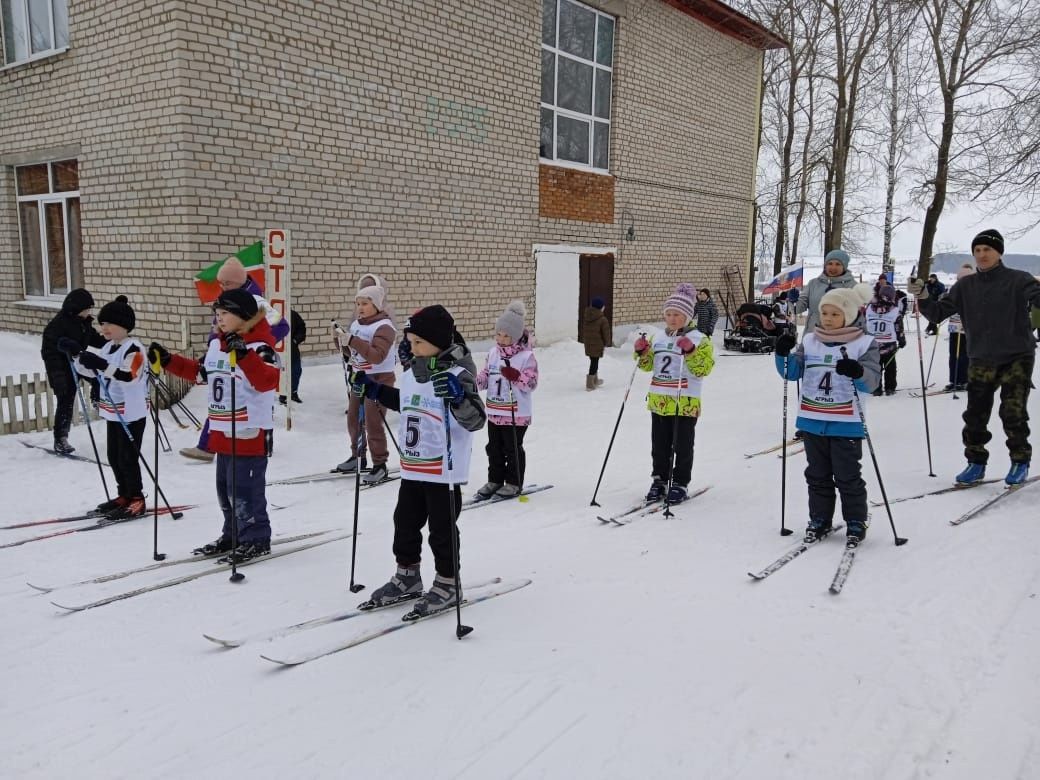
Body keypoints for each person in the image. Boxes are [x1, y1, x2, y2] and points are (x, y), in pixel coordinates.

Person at [350, 305, 486, 616]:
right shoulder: (412, 373)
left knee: (442, 528)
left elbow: (476, 420)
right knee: (404, 523)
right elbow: (407, 403)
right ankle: (407, 576)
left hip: (444, 470)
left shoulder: (458, 374)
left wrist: (458, 397)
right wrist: (375, 390)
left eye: (419, 342)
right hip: (413, 466)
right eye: (410, 342)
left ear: (440, 341)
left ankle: (449, 582)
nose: (413, 348)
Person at [150, 288, 281, 561]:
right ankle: (233, 533)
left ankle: (256, 536)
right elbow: (200, 374)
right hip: (223, 429)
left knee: (245, 489)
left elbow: (267, 381)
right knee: (226, 489)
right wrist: (169, 361)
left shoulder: (261, 348)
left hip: (250, 431)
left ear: (243, 316)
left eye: (225, 314)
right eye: (217, 314)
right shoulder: (217, 345)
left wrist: (244, 356)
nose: (219, 319)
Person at [909, 229, 1040, 486]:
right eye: (977, 250)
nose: (982, 255)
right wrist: (923, 296)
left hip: (1017, 355)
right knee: (975, 414)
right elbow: (937, 314)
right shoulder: (965, 286)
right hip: (980, 356)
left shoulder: (1019, 279)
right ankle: (976, 462)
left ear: (999, 252)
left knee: (1012, 412)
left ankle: (1020, 460)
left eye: (987, 250)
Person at [774, 283, 879, 544]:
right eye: (825, 313)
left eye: (835, 314)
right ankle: (820, 518)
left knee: (848, 476)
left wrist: (858, 372)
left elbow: (872, 381)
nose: (828, 319)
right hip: (812, 419)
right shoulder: (810, 341)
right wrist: (781, 353)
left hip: (847, 422)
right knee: (817, 475)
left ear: (851, 314)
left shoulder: (864, 343)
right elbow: (792, 372)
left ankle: (855, 520)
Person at [180, 257, 288, 462]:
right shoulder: (227, 298)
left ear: (239, 280)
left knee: (255, 404)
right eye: (220, 283)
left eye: (227, 283)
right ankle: (207, 446)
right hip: (226, 354)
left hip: (247, 358)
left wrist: (253, 342)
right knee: (223, 401)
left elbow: (282, 327)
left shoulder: (256, 301)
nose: (222, 287)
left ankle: (260, 447)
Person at [60, 296, 148, 519]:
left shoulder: (134, 348)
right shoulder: (109, 347)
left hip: (131, 413)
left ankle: (137, 498)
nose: (104, 328)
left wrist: (101, 364)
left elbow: (129, 376)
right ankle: (124, 495)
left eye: (109, 323)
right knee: (114, 456)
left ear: (124, 325)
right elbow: (93, 371)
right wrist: (78, 355)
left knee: (128, 458)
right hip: (113, 412)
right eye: (102, 323)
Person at [633, 283, 715, 504]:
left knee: (682, 445)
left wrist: (691, 351)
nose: (672, 318)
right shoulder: (658, 337)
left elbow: (703, 368)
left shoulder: (700, 339)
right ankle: (659, 480)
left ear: (688, 316)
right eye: (668, 314)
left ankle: (680, 483)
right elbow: (648, 365)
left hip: (685, 401)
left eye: (677, 314)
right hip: (659, 400)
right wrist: (641, 352)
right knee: (659, 445)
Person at [475, 301, 539, 499]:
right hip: (495, 410)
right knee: (493, 447)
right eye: (499, 335)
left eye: (506, 336)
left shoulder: (526, 357)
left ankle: (513, 482)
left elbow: (531, 383)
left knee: (511, 448)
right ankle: (495, 479)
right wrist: (473, 383)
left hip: (516, 413)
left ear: (516, 336)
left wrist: (516, 376)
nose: (501, 340)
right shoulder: (493, 353)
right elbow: (486, 375)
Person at [335, 285, 397, 484]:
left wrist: (352, 340)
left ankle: (380, 464)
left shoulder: (385, 327)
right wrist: (340, 341)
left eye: (365, 304)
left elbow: (377, 356)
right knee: (354, 418)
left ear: (376, 305)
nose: (360, 308)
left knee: (373, 422)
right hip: (359, 377)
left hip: (379, 379)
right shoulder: (356, 324)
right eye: (358, 304)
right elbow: (352, 354)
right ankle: (358, 456)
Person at [41, 288, 105, 455]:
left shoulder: (83, 323)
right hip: (62, 368)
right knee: (66, 401)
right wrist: (57, 376)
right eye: (87, 309)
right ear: (77, 308)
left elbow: (95, 339)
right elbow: (49, 353)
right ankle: (60, 438)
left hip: (78, 361)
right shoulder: (57, 325)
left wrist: (112, 340)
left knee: (98, 377)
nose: (89, 312)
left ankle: (98, 401)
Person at [795, 249, 857, 334]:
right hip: (813, 335)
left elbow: (857, 316)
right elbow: (798, 309)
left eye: (838, 264)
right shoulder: (814, 284)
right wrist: (794, 300)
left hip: (840, 338)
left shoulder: (852, 286)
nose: (833, 267)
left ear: (844, 266)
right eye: (830, 263)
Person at [865, 284, 905, 396]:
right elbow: (898, 327)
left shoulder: (869, 307)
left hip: (872, 343)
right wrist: (901, 339)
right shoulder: (895, 310)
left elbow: (864, 322)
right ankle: (890, 388)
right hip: (889, 344)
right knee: (890, 367)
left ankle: (876, 388)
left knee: (875, 367)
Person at [946, 264, 974, 391]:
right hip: (954, 325)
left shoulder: (974, 291)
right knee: (953, 354)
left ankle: (965, 380)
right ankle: (954, 380)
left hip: (967, 327)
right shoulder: (954, 290)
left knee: (964, 354)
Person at [582, 296, 611, 390]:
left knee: (594, 361)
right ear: (600, 307)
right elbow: (606, 333)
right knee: (594, 363)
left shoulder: (587, 316)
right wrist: (607, 342)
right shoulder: (602, 319)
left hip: (589, 344)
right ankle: (590, 384)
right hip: (597, 344)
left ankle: (595, 380)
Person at [279, 309, 306, 405]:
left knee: (296, 370)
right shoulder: (274, 313)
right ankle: (283, 394)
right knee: (281, 371)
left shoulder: (292, 314)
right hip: (279, 350)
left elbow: (301, 327)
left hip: (292, 349)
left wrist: (295, 340)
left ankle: (293, 392)